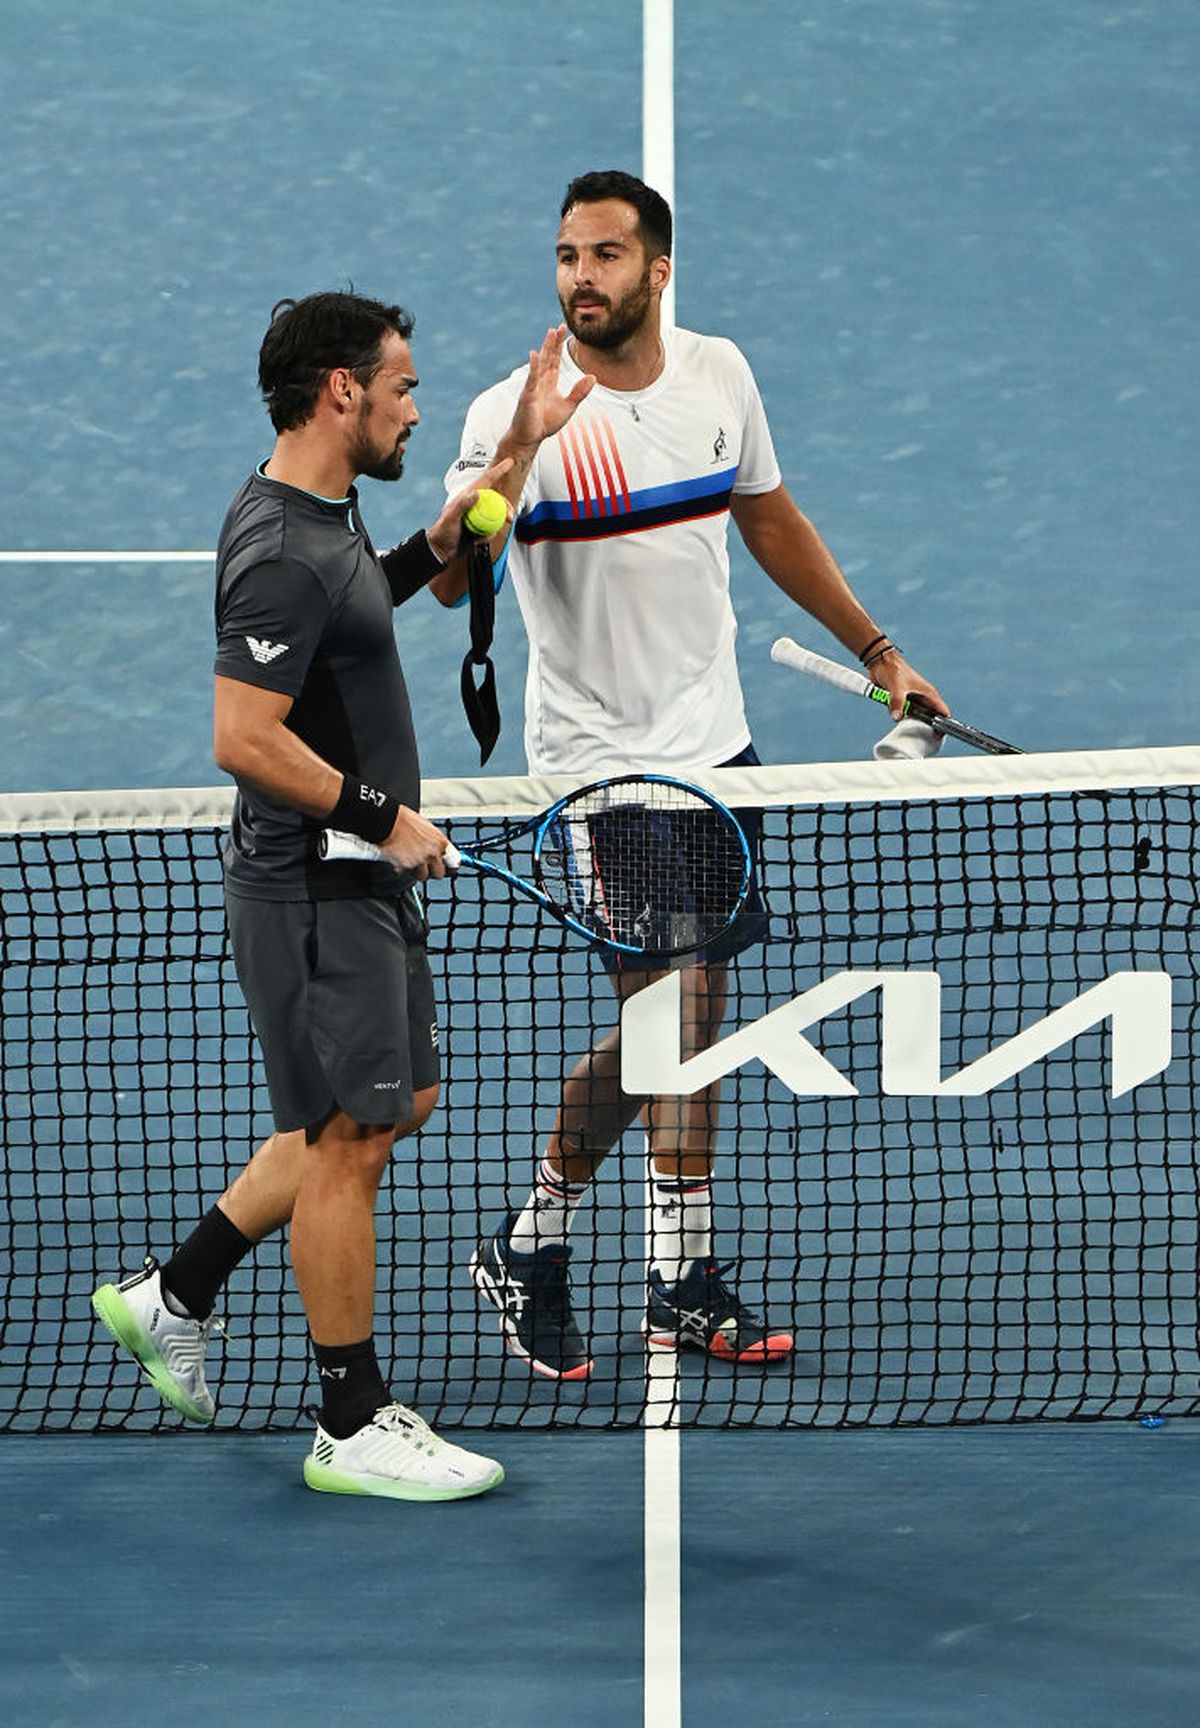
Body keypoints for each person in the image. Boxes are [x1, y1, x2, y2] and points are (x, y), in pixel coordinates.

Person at [435, 170, 947, 1381]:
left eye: (606, 256)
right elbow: (455, 578)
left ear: (658, 269)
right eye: (566, 256)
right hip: (601, 769)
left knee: (685, 1016)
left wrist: (877, 654)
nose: (581, 278)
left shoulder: (721, 376)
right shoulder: (516, 409)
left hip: (716, 752)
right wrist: (519, 448)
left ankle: (555, 1246)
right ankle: (645, 1269)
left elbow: (767, 517)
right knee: (681, 1015)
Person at [91, 290, 513, 1501]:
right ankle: (350, 1419)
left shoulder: (319, 522)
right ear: (344, 391)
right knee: (349, 1141)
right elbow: (243, 735)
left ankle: (177, 1290)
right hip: (320, 885)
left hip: (349, 882)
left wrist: (473, 505)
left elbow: (359, 602)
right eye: (404, 388)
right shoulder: (283, 552)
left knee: (398, 1102)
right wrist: (386, 818)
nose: (415, 411)